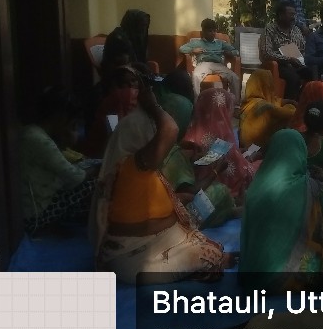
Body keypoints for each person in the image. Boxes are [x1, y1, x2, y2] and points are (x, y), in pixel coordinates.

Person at [91, 72, 235, 284]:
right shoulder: (134, 166)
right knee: (210, 258)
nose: (154, 138)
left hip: (159, 239)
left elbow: (166, 199)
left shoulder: (138, 167)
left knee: (213, 248)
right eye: (151, 132)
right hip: (136, 253)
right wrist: (153, 106)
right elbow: (170, 130)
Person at [239, 129, 323, 290]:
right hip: (280, 281)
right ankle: (321, 268)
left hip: (250, 278)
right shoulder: (308, 187)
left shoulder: (255, 189)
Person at [20, 86, 97, 235]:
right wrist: (96, 170)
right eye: (72, 124)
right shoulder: (38, 140)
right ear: (60, 117)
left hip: (36, 206)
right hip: (35, 216)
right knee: (94, 183)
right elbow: (75, 177)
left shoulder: (34, 132)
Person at [103, 8, 195, 103]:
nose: (143, 29)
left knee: (181, 76)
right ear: (133, 23)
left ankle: (191, 106)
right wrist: (141, 67)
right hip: (126, 81)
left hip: (141, 76)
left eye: (145, 26)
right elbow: (121, 68)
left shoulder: (135, 35)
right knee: (180, 80)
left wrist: (147, 71)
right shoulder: (118, 38)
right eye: (141, 25)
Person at [183, 86, 255, 204]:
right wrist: (248, 157)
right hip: (211, 195)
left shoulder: (188, 136)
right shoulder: (224, 135)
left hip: (190, 191)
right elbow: (240, 172)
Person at [179, 18, 241, 102]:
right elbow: (182, 49)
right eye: (210, 31)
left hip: (218, 65)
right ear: (204, 32)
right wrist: (193, 50)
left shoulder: (220, 43)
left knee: (234, 78)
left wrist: (229, 53)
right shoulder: (197, 42)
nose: (213, 33)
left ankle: (235, 104)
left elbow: (236, 51)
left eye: (214, 31)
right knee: (196, 76)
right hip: (203, 64)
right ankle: (197, 102)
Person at [263, 3, 312, 101]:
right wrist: (288, 59)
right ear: (281, 15)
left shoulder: (296, 30)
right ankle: (289, 105)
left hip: (298, 63)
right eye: (291, 14)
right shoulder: (270, 29)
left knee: (312, 74)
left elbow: (303, 48)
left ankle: (303, 103)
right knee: (293, 78)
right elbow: (266, 53)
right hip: (280, 64)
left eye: (294, 14)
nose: (294, 17)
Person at [239, 69, 297, 150]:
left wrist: (285, 101)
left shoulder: (248, 101)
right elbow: (290, 113)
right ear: (266, 85)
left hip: (243, 144)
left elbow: (275, 101)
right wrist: (291, 105)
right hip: (257, 148)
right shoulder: (266, 107)